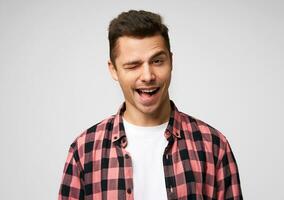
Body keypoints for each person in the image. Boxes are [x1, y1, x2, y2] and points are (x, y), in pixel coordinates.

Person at [58, 10, 243, 200]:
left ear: (171, 61)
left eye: (157, 61)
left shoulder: (212, 145)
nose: (147, 76)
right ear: (113, 70)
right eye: (133, 65)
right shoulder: (84, 150)